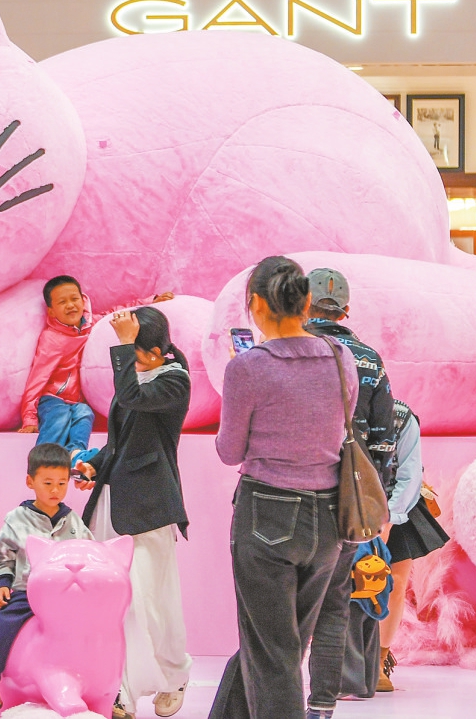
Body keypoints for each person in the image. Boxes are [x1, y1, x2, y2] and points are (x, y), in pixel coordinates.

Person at [208, 256, 357, 719]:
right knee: (282, 645)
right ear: (306, 301)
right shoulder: (341, 357)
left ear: (255, 304)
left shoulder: (248, 367)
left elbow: (229, 451)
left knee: (272, 652)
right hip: (328, 518)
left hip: (268, 513)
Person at [74, 306, 191, 719]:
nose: (129, 357)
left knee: (150, 601)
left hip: (149, 507)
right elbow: (121, 440)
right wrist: (94, 465)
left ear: (156, 352)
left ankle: (173, 676)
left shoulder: (175, 381)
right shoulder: (137, 376)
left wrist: (124, 346)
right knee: (114, 602)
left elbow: (131, 398)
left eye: (135, 350)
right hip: (112, 501)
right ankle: (119, 689)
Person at [301, 268, 396, 716]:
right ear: (346, 310)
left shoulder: (292, 351)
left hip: (295, 489)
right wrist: (379, 500)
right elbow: (384, 438)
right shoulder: (371, 360)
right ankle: (325, 699)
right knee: (337, 597)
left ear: (305, 304)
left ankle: (280, 694)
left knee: (287, 597)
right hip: (349, 499)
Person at [0, 443, 94, 719]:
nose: (55, 490)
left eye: (62, 483)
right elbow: (1, 555)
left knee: (97, 628)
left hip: (66, 597)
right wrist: (3, 584)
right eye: (47, 483)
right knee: (3, 626)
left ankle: (107, 690)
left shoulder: (73, 522)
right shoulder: (16, 519)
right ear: (31, 482)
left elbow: (88, 552)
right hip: (26, 593)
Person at [19, 275, 172, 458]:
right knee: (60, 415)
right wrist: (29, 417)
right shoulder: (51, 339)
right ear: (51, 312)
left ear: (83, 301)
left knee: (85, 414)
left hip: (78, 401)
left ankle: (76, 453)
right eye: (62, 302)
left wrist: (150, 302)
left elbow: (117, 313)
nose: (70, 305)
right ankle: (45, 458)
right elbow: (38, 379)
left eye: (74, 299)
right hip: (52, 398)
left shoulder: (92, 324)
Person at [375, 400, 450, 693]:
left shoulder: (401, 415)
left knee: (393, 583)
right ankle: (345, 659)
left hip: (399, 502)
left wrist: (390, 520)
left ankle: (380, 659)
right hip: (348, 502)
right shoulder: (336, 406)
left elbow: (410, 474)